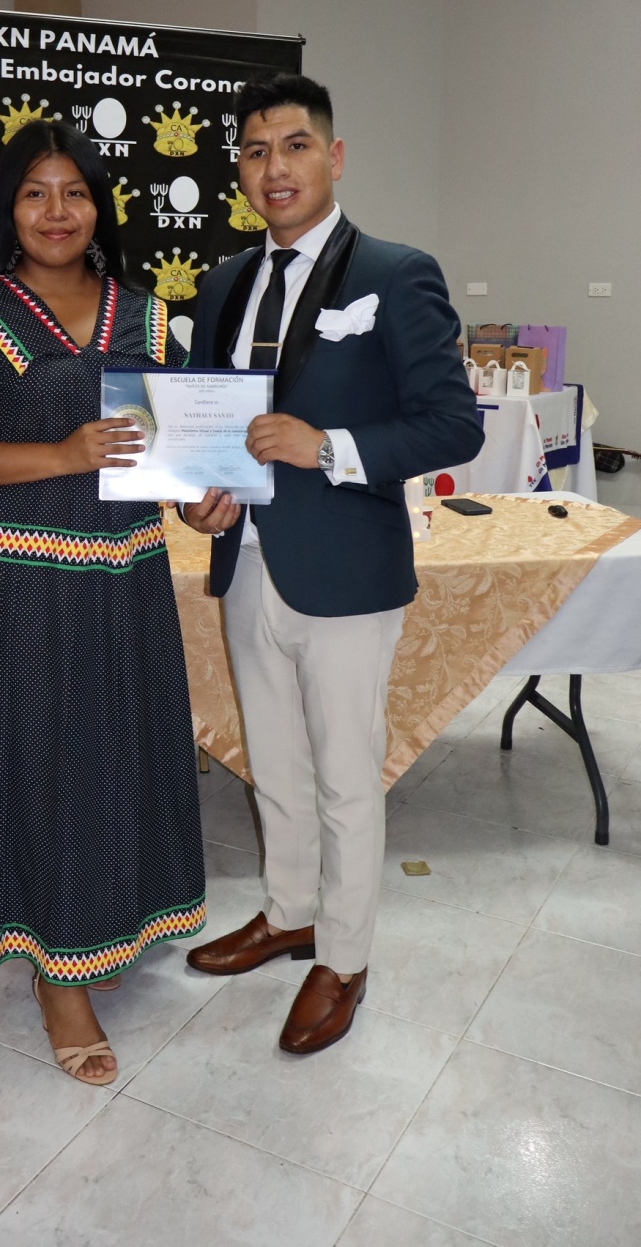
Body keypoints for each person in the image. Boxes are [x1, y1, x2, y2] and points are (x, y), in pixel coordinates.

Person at [0, 120, 206, 1086]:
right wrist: (63, 454)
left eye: (75, 192)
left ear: (100, 205)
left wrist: (204, 493)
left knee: (123, 756)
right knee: (44, 765)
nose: (57, 211)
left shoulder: (148, 317)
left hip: (128, 575)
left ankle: (109, 923)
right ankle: (56, 976)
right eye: (36, 192)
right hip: (23, 583)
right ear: (9, 207)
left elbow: (170, 454)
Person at [182, 74, 483, 1053]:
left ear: (334, 156)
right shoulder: (223, 283)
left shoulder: (397, 273)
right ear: (239, 169)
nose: (275, 167)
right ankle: (288, 912)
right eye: (256, 151)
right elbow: (208, 424)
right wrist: (198, 494)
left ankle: (344, 957)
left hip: (347, 570)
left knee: (347, 777)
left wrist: (330, 448)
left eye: (295, 145)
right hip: (245, 558)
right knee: (273, 764)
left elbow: (453, 425)